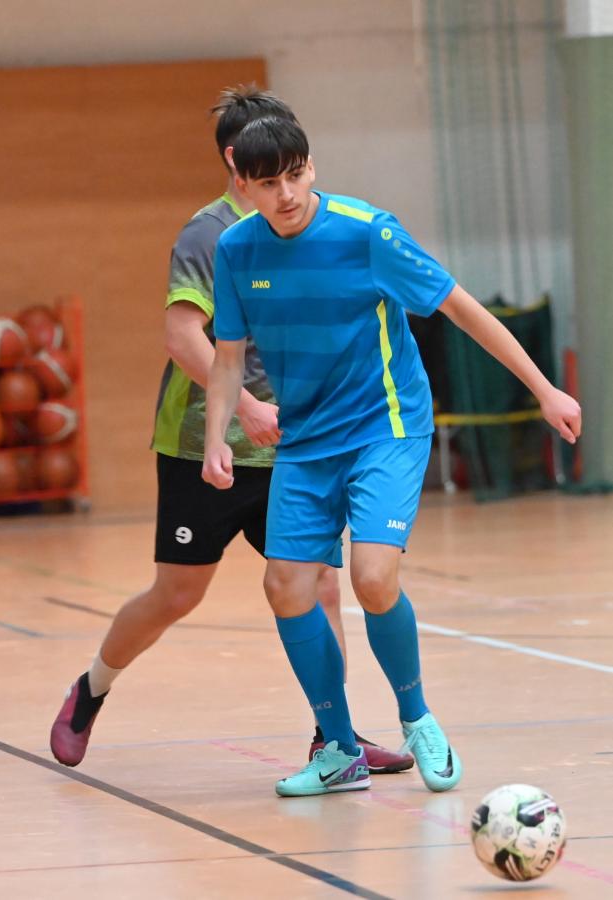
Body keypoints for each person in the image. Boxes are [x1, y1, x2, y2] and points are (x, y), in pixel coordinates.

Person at [202, 116, 582, 798]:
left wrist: (544, 388)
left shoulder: (367, 232)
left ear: (311, 168)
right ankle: (338, 749)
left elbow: (461, 308)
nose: (286, 194)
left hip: (386, 427)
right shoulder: (235, 250)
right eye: (268, 183)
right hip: (306, 440)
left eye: (295, 175)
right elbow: (227, 357)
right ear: (243, 186)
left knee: (372, 578)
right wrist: (215, 441)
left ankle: (417, 719)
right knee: (284, 587)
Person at [49, 87, 411, 776]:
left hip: (294, 447)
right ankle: (91, 689)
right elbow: (184, 336)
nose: (285, 181)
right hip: (204, 444)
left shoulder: (314, 226)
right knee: (177, 594)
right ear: (236, 162)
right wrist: (244, 407)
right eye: (267, 165)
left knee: (320, 585)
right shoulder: (209, 235)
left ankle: (332, 738)